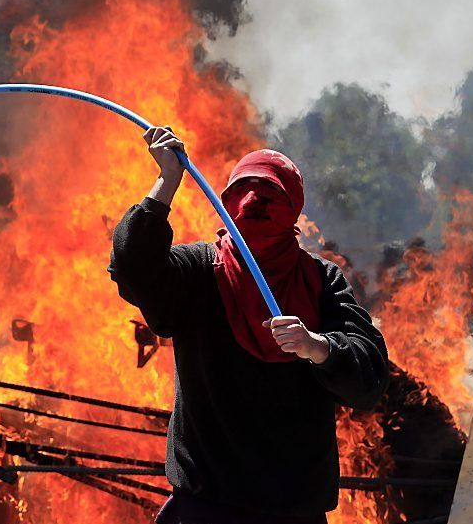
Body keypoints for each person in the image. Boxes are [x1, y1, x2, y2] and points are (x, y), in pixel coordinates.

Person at [107, 126, 390, 523]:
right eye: (245, 189)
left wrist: (317, 347)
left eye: (270, 192)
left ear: (293, 208)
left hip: (295, 510)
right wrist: (167, 181)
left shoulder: (322, 280)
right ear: (225, 203)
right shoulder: (199, 270)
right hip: (205, 503)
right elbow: (132, 267)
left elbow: (370, 377)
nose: (255, 200)